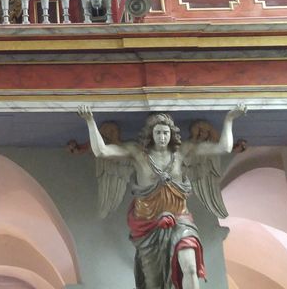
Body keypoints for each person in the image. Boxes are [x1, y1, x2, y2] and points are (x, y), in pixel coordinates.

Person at [77, 104, 246, 289]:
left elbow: (223, 147)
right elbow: (102, 151)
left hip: (180, 219)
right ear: (151, 134)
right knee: (154, 284)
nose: (162, 137)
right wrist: (90, 121)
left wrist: (229, 119)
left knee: (190, 267)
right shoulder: (137, 154)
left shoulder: (182, 152)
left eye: (166, 133)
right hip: (148, 224)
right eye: (158, 132)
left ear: (171, 134)